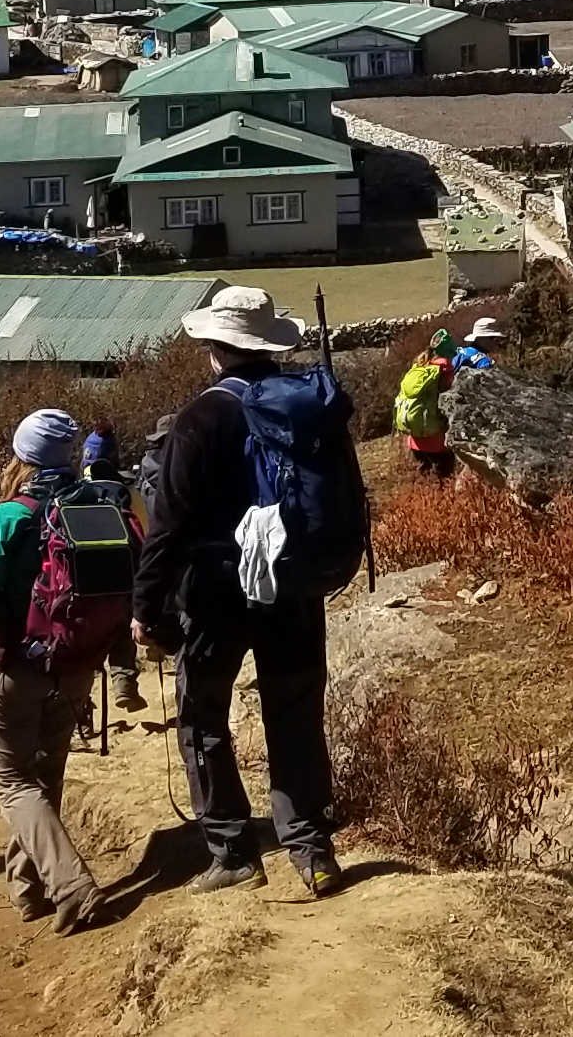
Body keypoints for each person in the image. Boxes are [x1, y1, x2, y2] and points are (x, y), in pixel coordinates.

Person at [134, 287, 368, 897]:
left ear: (214, 348)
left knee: (203, 716)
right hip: (294, 585)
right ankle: (313, 851)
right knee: (294, 714)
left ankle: (234, 850)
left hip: (218, 592)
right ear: (269, 345)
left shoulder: (200, 418)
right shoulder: (308, 406)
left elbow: (171, 525)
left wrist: (147, 605)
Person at [0, 408, 133, 928]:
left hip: (16, 664)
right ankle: (28, 889)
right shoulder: (98, 505)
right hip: (77, 663)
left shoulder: (10, 515)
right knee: (44, 775)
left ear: (23, 455)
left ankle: (72, 887)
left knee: (11, 779)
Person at [392, 331, 460, 482]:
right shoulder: (445, 371)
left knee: (426, 481)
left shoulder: (418, 368)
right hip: (438, 441)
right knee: (443, 483)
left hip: (415, 439)